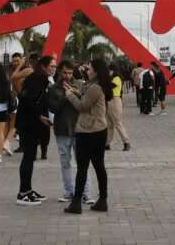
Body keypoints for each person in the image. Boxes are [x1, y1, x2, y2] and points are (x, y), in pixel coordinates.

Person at [63, 58, 114, 214]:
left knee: (83, 167)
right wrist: (75, 91)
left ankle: (77, 202)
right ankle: (102, 200)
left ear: (96, 71)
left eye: (90, 69)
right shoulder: (96, 86)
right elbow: (87, 99)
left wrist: (69, 95)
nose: (87, 70)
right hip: (99, 130)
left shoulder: (95, 87)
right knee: (99, 166)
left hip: (88, 131)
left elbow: (82, 106)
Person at [48, 60, 95, 205]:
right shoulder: (53, 88)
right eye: (64, 73)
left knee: (82, 162)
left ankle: (85, 193)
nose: (67, 76)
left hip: (79, 129)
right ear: (60, 72)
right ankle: (69, 191)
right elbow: (53, 109)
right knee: (65, 162)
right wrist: (65, 96)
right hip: (62, 129)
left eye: (70, 73)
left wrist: (76, 93)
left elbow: (86, 106)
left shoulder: (80, 85)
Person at [16, 55, 55, 206]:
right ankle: (22, 193)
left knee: (30, 157)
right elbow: (28, 101)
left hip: (32, 122)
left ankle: (28, 189)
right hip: (28, 123)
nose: (53, 69)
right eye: (51, 66)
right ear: (44, 66)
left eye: (54, 66)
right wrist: (40, 116)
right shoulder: (37, 79)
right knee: (28, 157)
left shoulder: (39, 78)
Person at [105, 63, 131, 151]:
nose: (108, 72)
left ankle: (126, 142)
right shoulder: (111, 78)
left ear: (113, 70)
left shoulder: (117, 78)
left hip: (114, 101)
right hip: (109, 101)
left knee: (117, 123)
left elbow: (109, 86)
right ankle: (107, 143)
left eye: (109, 71)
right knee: (109, 124)